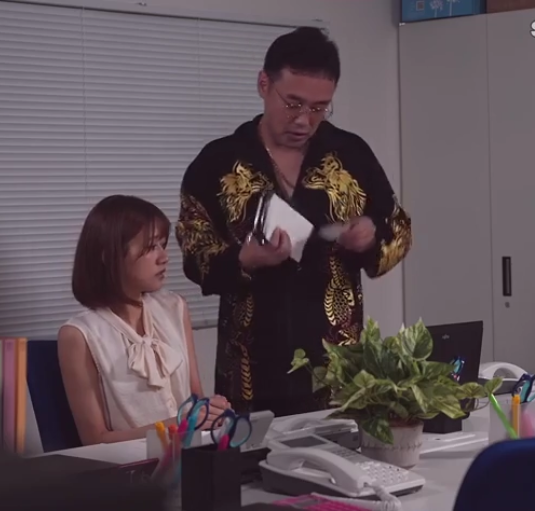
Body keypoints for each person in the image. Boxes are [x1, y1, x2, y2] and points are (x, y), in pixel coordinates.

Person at [176, 27, 412, 417]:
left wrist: (371, 239)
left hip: (337, 366)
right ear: (264, 85)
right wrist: (244, 260)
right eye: (293, 104)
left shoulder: (352, 155)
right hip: (250, 367)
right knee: (252, 452)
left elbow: (399, 228)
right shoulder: (217, 163)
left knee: (340, 451)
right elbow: (194, 251)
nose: (304, 120)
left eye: (319, 108)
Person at [58, 195, 229, 445]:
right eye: (150, 247)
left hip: (193, 454)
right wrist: (178, 425)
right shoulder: (80, 334)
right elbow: (95, 439)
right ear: (109, 255)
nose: (164, 257)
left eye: (163, 244)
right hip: (130, 464)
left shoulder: (175, 307)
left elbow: (196, 401)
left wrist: (211, 412)